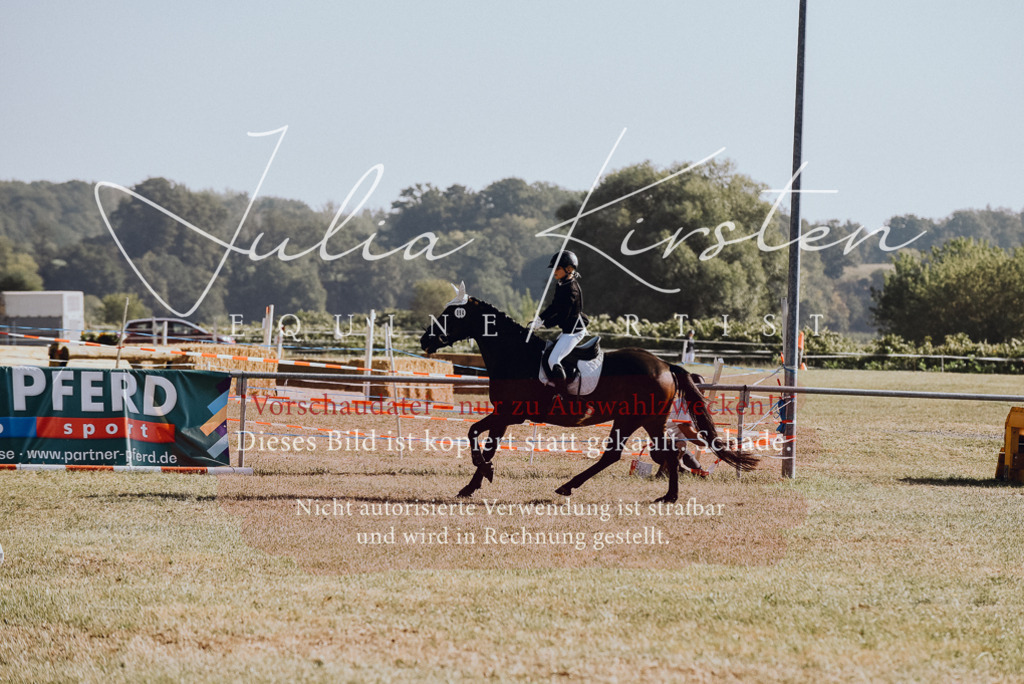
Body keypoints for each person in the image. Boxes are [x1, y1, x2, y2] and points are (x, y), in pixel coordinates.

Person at [530, 250, 590, 393]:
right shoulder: (562, 284)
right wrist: (540, 318)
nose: (554, 272)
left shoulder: (572, 290)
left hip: (574, 333)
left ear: (569, 269)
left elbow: (563, 316)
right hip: (567, 331)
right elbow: (554, 306)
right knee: (547, 356)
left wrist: (544, 324)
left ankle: (564, 397)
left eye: (557, 268)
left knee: (553, 360)